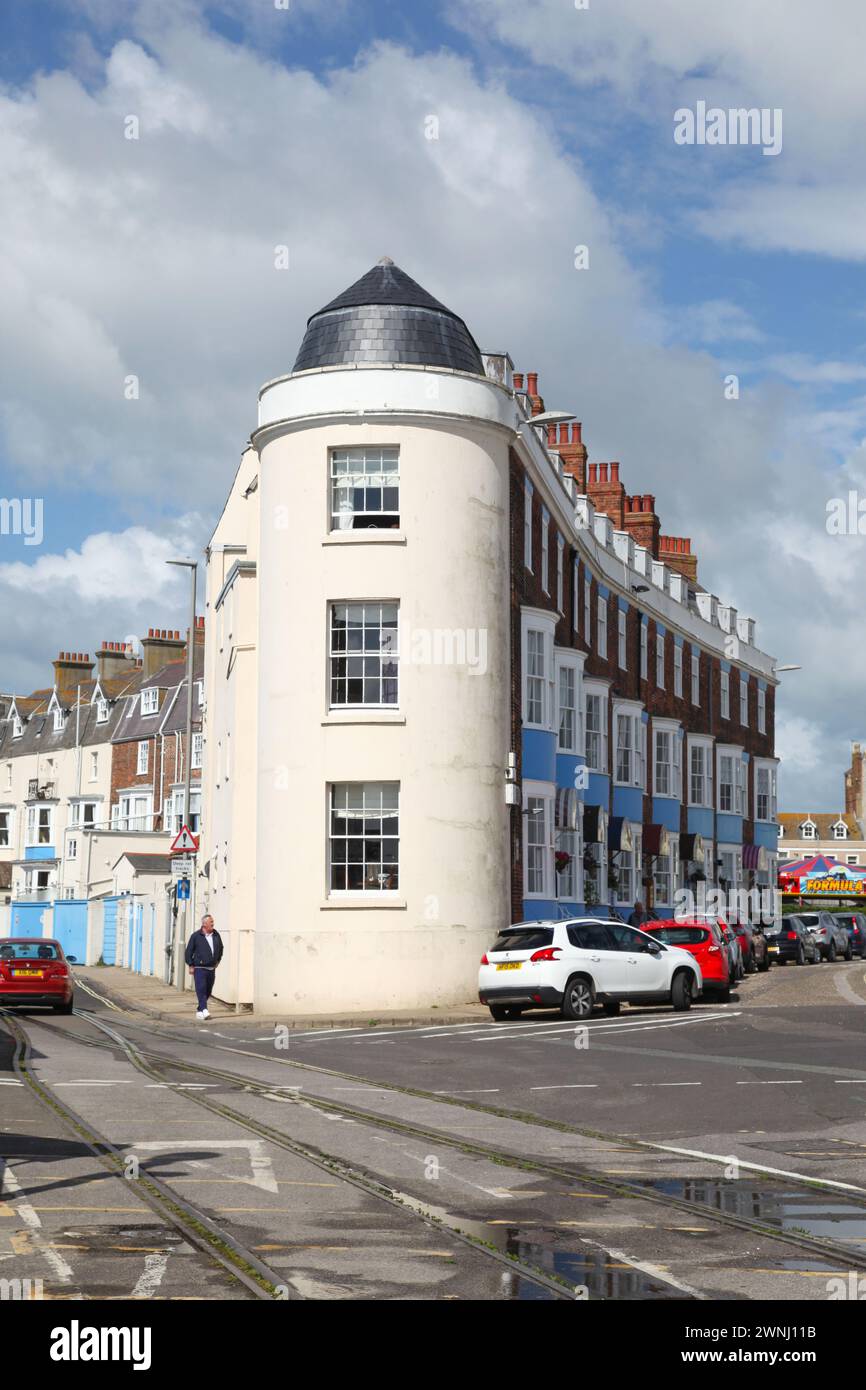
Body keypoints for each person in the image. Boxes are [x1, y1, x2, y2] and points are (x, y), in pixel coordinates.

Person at [185, 914, 223, 1020]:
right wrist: (191, 965)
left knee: (208, 990)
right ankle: (205, 1010)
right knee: (201, 989)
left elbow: (221, 948)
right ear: (204, 924)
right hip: (199, 968)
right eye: (211, 922)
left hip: (211, 968)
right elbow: (188, 952)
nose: (213, 924)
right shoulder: (196, 936)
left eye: (213, 922)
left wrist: (218, 960)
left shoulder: (216, 935)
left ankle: (200, 1010)